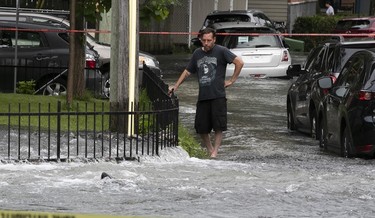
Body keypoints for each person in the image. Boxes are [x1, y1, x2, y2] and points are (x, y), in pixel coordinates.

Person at [168, 27, 244, 158]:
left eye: (209, 40)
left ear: (214, 39)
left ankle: (215, 151)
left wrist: (231, 80)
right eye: (204, 40)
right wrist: (176, 86)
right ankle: (210, 150)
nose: (207, 43)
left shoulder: (221, 51)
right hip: (203, 96)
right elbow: (187, 71)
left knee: (218, 126)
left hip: (218, 95)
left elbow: (239, 62)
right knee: (201, 127)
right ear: (200, 40)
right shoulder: (197, 53)